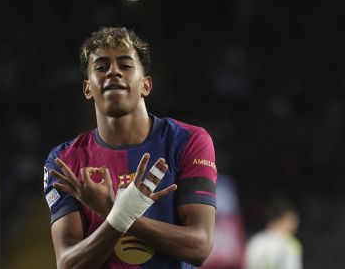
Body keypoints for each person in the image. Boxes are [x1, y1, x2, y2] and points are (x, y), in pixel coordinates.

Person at [43, 26, 218, 269]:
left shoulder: (189, 141)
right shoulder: (65, 160)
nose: (113, 72)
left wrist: (113, 212)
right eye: (101, 67)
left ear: (146, 85)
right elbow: (68, 264)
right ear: (87, 89)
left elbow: (199, 247)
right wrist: (121, 214)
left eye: (125, 65)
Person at [244, 198, 303, 269]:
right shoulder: (290, 243)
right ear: (280, 220)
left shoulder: (255, 241)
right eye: (292, 222)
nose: (294, 227)